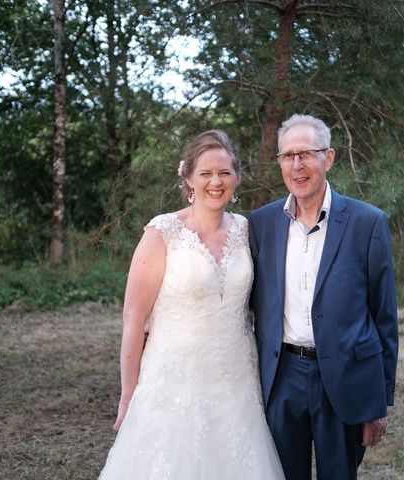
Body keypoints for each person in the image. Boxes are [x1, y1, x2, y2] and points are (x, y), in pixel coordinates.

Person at [99, 130, 285, 479]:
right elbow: (133, 318)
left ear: (237, 178)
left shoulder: (248, 231)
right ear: (187, 176)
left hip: (237, 380)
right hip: (174, 380)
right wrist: (128, 396)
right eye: (206, 173)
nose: (216, 182)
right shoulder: (162, 232)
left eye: (224, 173)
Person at [248, 114, 399, 480]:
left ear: (328, 158)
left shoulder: (367, 222)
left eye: (306, 154)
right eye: (287, 156)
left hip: (345, 379)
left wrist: (378, 402)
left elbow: (384, 316)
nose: (296, 165)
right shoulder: (261, 224)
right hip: (282, 376)